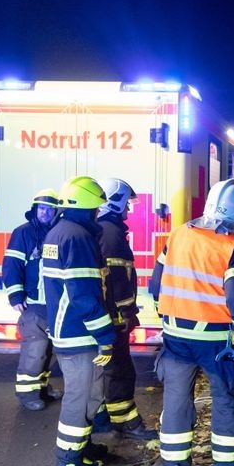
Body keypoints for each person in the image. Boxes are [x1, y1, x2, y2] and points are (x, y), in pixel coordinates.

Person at [150, 178, 234, 466]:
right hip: (216, 342)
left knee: (175, 399)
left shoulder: (178, 234)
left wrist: (168, 316)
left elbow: (155, 286)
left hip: (175, 338)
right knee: (226, 398)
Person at [42, 176, 118, 466]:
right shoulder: (77, 238)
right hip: (79, 334)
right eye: (96, 208)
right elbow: (84, 294)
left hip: (68, 331)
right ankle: (69, 462)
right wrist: (105, 336)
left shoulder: (59, 232)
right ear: (88, 208)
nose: (99, 213)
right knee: (80, 396)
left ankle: (81, 448)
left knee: (87, 394)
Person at [92, 178, 158, 441]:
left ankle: (105, 418)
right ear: (115, 202)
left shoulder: (106, 230)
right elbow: (116, 280)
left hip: (110, 316)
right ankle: (126, 423)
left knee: (112, 369)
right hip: (114, 317)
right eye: (126, 204)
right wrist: (126, 313)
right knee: (120, 370)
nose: (129, 210)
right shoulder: (110, 233)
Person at [3, 188, 62, 411]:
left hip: (54, 304)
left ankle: (42, 388)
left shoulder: (58, 232)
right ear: (35, 209)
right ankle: (27, 394)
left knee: (48, 351)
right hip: (34, 303)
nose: (45, 213)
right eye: (42, 208)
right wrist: (16, 295)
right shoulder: (23, 233)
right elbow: (12, 265)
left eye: (50, 209)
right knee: (34, 350)